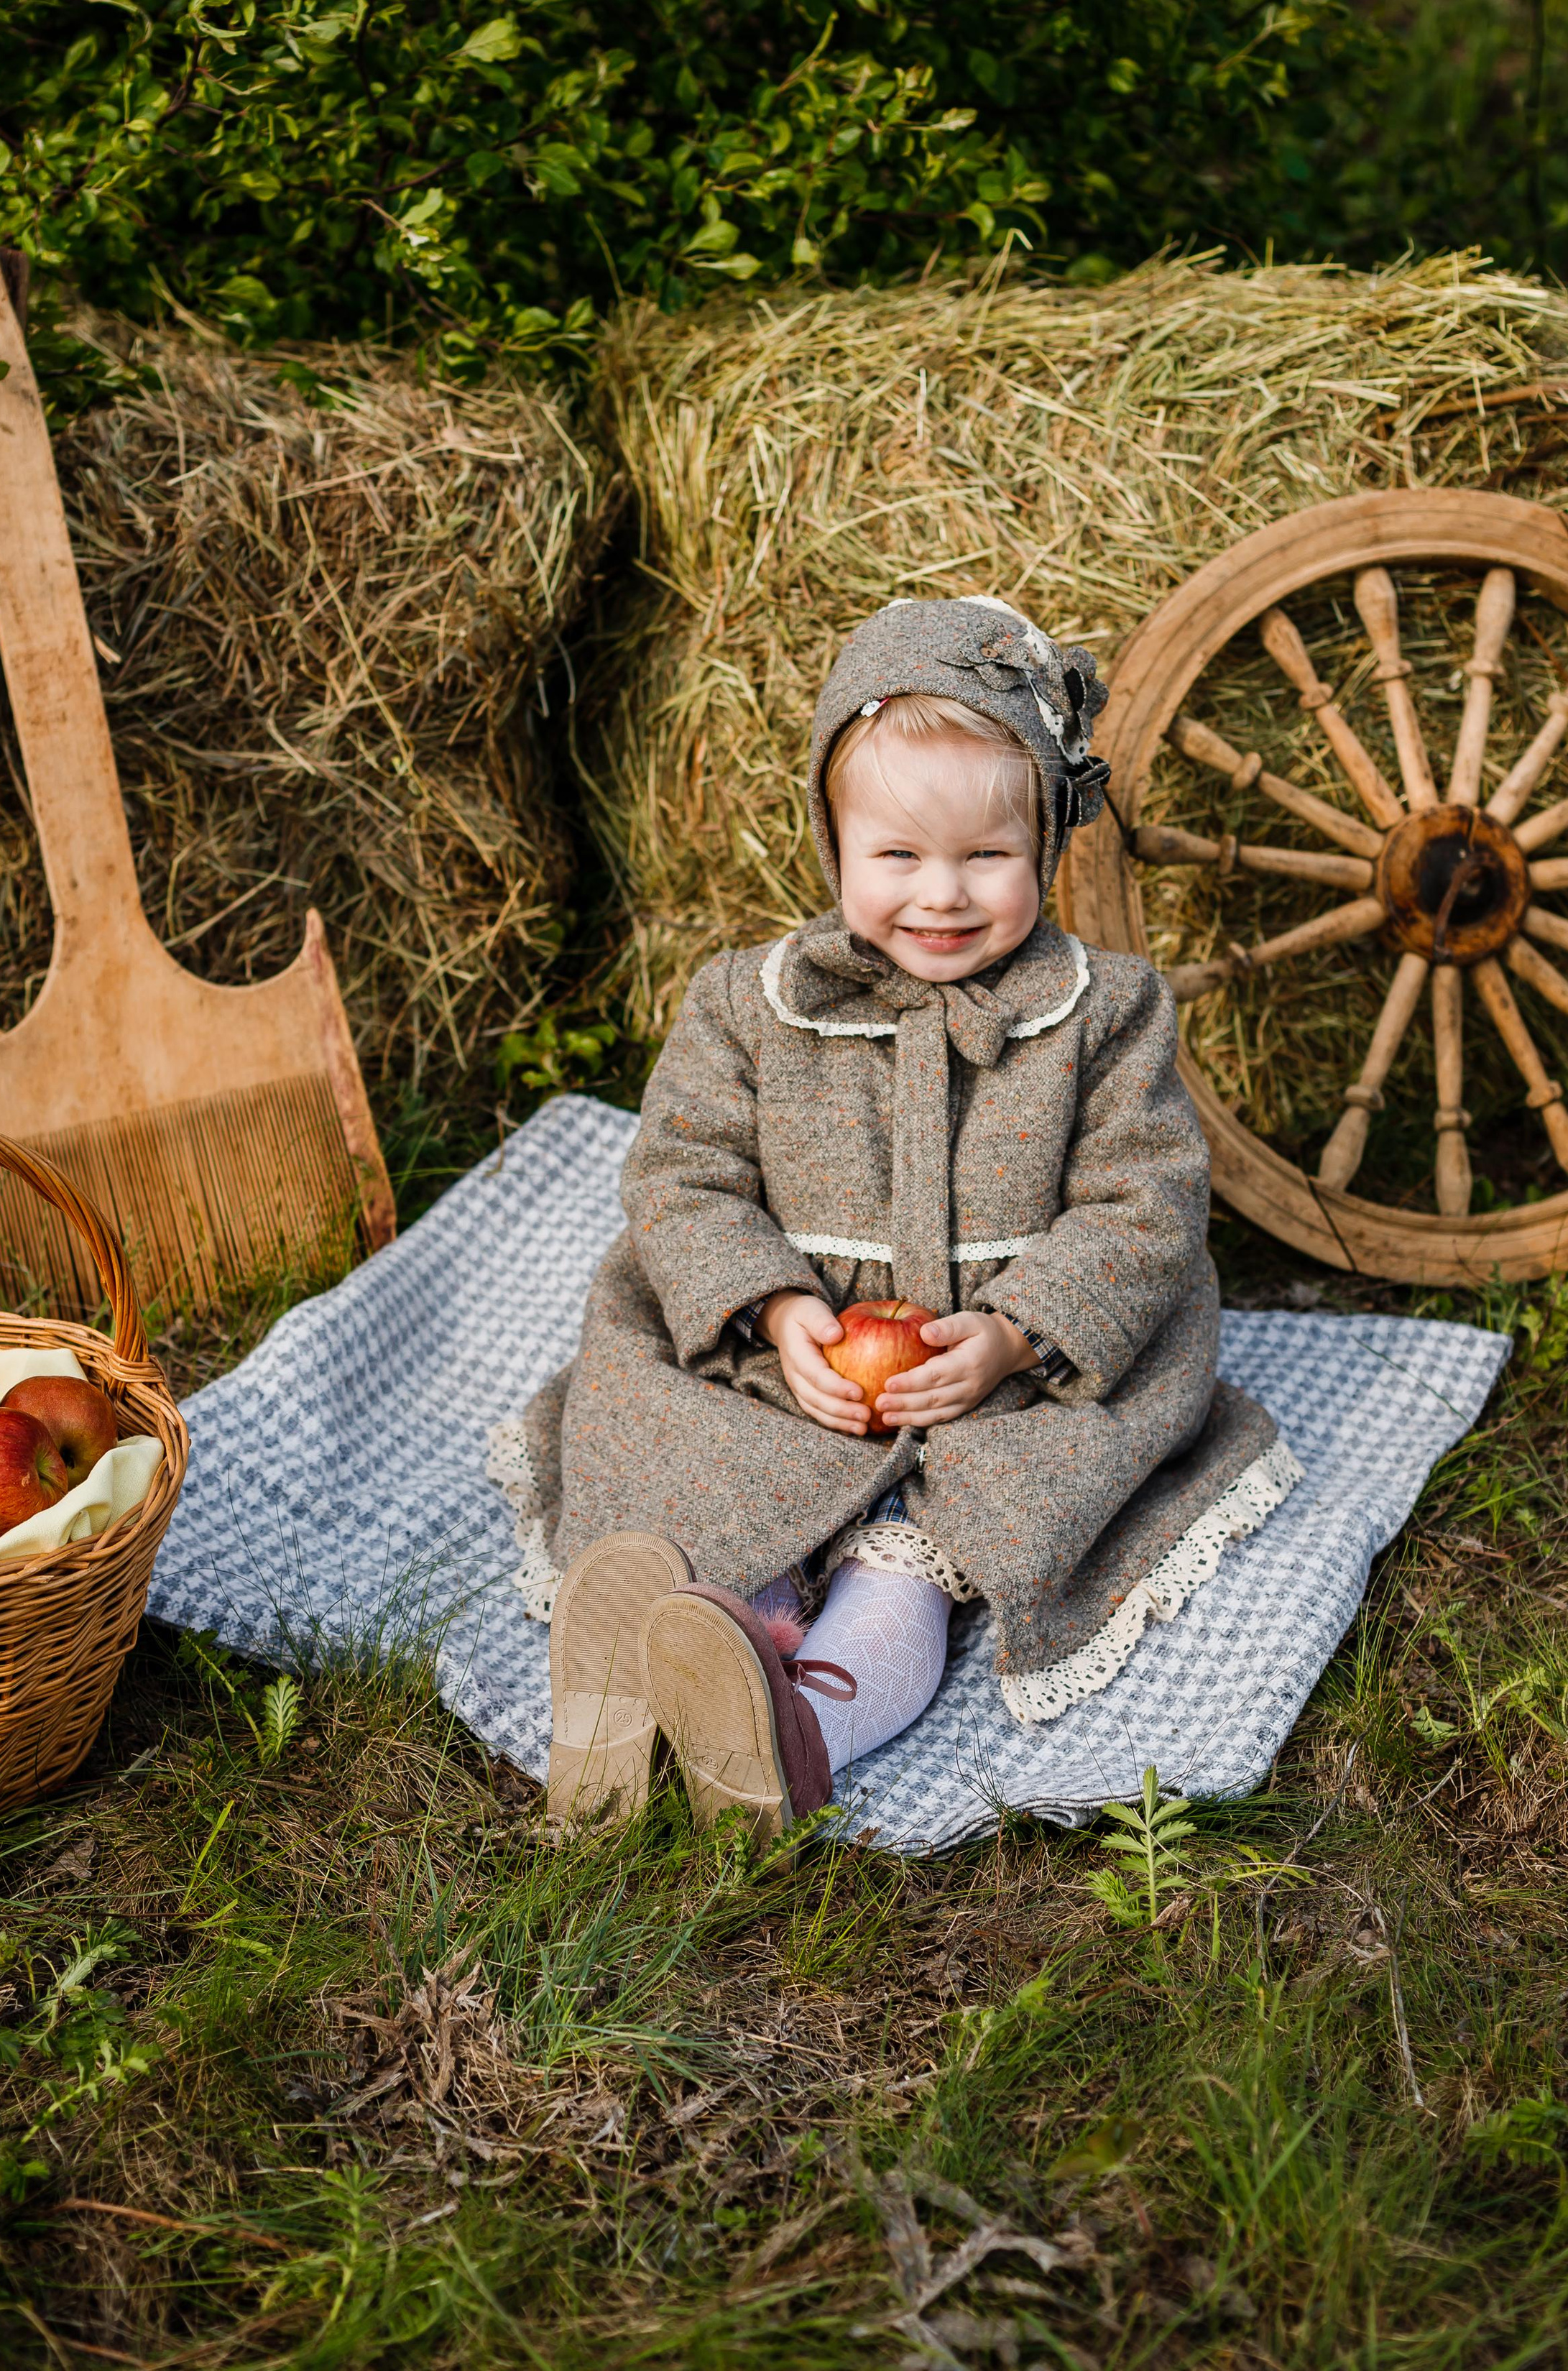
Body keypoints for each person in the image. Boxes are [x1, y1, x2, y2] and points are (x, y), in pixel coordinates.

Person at [487, 595, 1295, 1836]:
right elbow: (681, 1173)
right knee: (698, 1466)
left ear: (1045, 847)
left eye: (987, 856)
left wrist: (1020, 1333)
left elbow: (1147, 1203)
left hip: (1011, 1387)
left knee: (909, 1563)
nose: (944, 896)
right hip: (779, 1366)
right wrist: (776, 1306)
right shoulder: (750, 1005)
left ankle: (795, 1730)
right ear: (834, 844)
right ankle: (657, 1673)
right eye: (899, 857)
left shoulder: (1106, 1012)